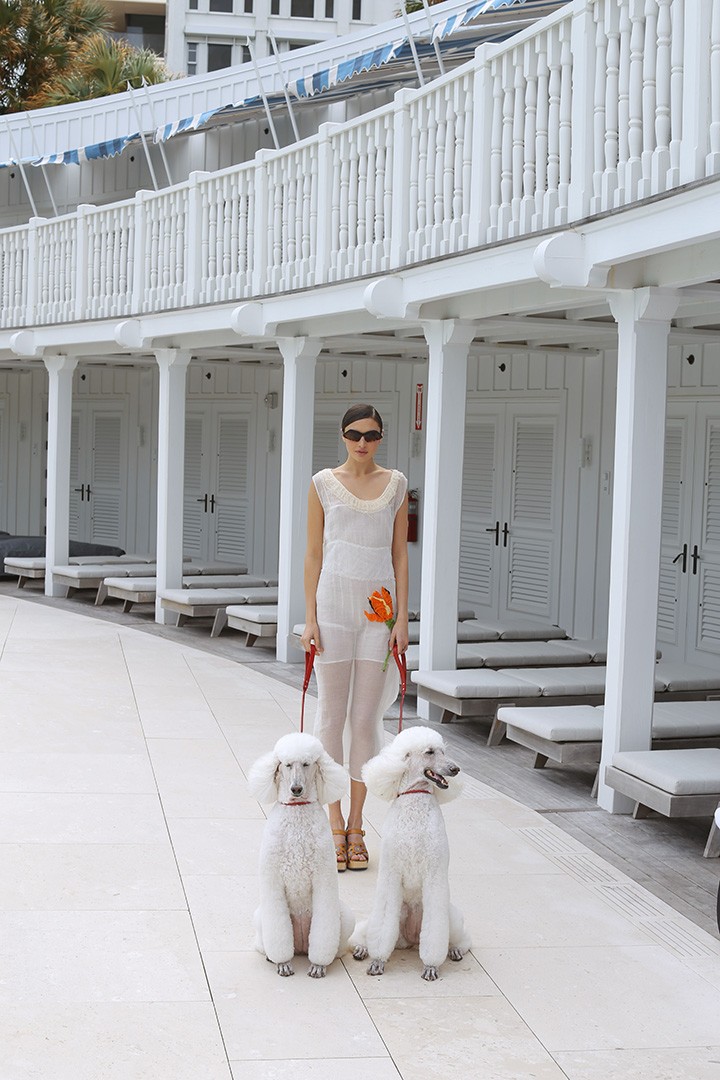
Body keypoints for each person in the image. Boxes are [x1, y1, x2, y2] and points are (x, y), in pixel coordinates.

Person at [301, 404, 409, 871]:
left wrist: (403, 618)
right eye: (353, 434)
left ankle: (358, 826)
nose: (362, 442)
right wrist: (309, 618)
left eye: (371, 435)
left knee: (364, 720)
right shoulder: (323, 483)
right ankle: (332, 820)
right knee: (330, 716)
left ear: (381, 437)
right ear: (342, 436)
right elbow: (312, 555)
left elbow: (400, 555)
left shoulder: (397, 484)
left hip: (379, 611)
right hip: (333, 609)